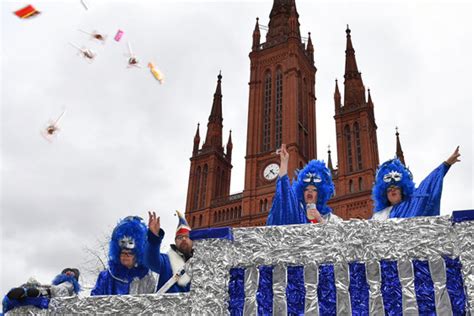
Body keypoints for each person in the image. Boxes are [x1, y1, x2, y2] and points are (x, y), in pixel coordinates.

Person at [371, 146, 461, 220]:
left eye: (396, 187)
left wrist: (446, 164)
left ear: (403, 190)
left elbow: (428, 186)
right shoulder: (378, 216)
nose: (392, 190)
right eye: (389, 189)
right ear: (384, 194)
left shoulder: (412, 204)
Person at [266, 144, 342, 225]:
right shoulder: (297, 213)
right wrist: (284, 163)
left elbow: (340, 234)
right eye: (306, 189)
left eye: (314, 190)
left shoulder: (330, 218)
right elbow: (284, 197)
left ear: (320, 194)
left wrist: (319, 219)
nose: (309, 192)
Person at [91, 216, 157, 295]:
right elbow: (94, 301)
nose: (125, 256)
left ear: (137, 256)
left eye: (130, 253)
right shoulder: (106, 277)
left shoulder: (146, 278)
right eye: (122, 253)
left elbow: (153, 302)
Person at [145, 210, 193, 293]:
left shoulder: (200, 264)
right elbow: (151, 261)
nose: (183, 239)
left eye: (187, 236)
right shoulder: (166, 260)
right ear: (175, 241)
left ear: (193, 241)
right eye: (180, 237)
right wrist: (154, 238)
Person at [2, 268, 80, 314]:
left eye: (71, 273)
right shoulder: (60, 285)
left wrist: (41, 292)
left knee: (28, 299)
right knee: (20, 298)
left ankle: (11, 300)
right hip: (45, 302)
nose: (67, 273)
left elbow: (59, 292)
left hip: (50, 303)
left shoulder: (69, 284)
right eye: (66, 272)